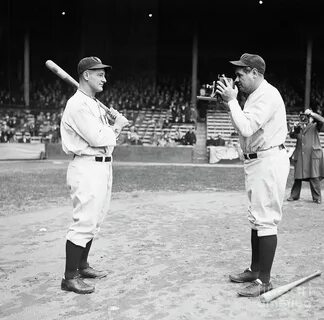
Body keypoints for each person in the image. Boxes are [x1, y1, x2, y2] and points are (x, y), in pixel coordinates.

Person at [216, 53, 290, 297]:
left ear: (255, 73)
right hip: (258, 161)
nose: (236, 79)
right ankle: (255, 269)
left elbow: (247, 128)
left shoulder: (268, 95)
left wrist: (232, 101)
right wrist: (230, 103)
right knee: (256, 217)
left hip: (268, 160)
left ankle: (264, 282)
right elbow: (243, 126)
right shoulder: (254, 96)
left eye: (240, 74)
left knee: (266, 219)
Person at [60, 56, 129, 294]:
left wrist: (109, 121)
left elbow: (103, 136)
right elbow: (100, 139)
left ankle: (82, 265)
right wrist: (117, 125)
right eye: (99, 74)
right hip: (87, 167)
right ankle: (69, 278)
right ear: (86, 75)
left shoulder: (91, 103)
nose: (104, 78)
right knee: (85, 221)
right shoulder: (78, 104)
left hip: (101, 166)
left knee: (95, 220)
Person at [287, 109, 324, 203]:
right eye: (302, 117)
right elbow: (291, 135)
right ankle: (294, 195)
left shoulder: (315, 126)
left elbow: (322, 120)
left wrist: (312, 114)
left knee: (314, 176)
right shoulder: (299, 127)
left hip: (312, 155)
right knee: (297, 177)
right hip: (300, 155)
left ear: (310, 118)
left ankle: (317, 197)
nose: (304, 119)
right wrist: (294, 127)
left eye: (307, 117)